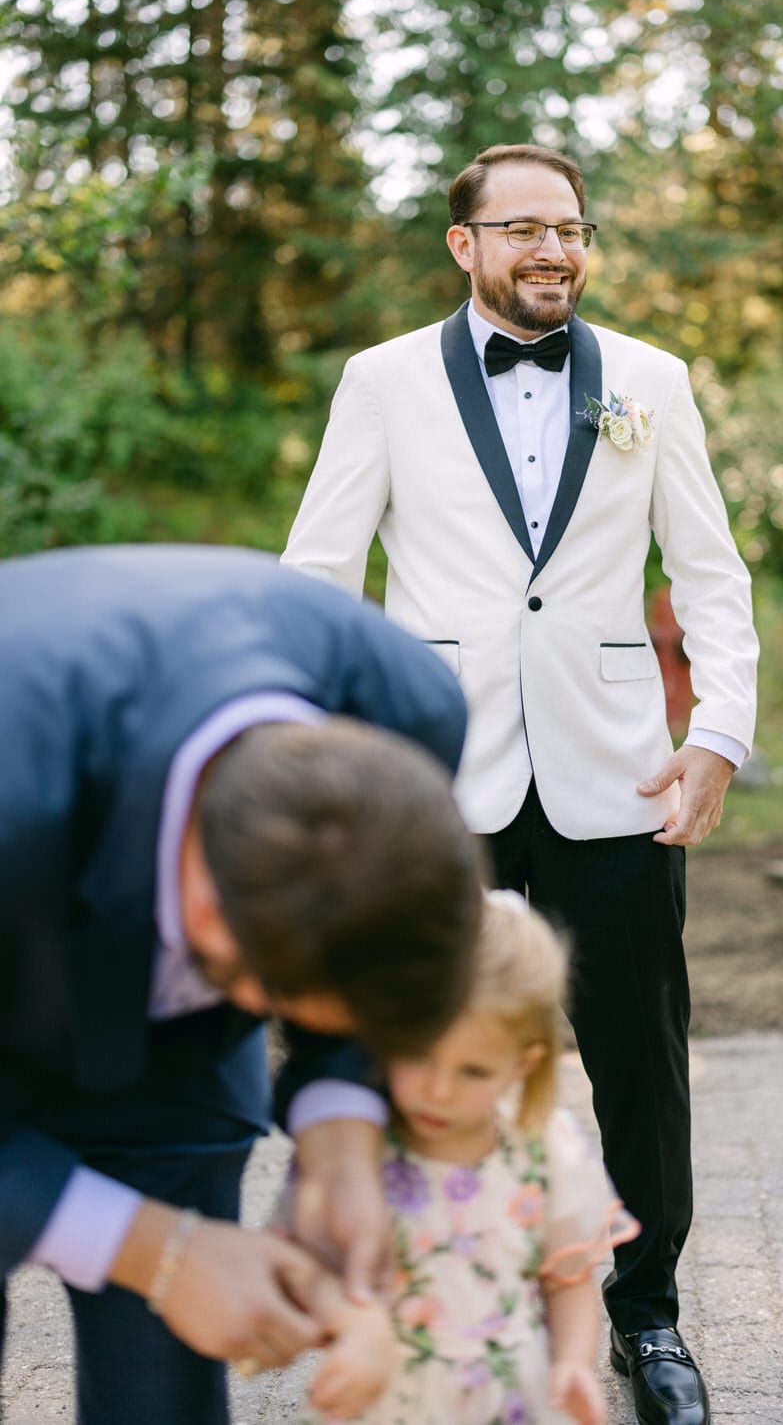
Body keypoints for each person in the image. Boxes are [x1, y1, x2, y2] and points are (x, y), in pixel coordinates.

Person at [283, 143, 758, 1425]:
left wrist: (717, 735)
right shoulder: (380, 382)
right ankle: (440, 1310)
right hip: (434, 785)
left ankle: (646, 1317)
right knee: (428, 1052)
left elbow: (708, 572)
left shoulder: (650, 380)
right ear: (464, 245)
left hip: (618, 776)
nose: (554, 251)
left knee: (640, 1060)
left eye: (572, 229)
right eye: (525, 230)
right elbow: (320, 577)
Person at [0, 543, 483, 1425]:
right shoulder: (15, 784)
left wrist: (340, 1134)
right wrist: (163, 1255)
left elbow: (372, 944)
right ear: (212, 920)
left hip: (177, 1078)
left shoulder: (406, 711)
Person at [287, 891, 638, 1425]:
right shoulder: (359, 1148)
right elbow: (305, 1266)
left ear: (524, 1064)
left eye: (473, 1071)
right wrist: (347, 1324)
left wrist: (571, 1365)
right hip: (384, 1396)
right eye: (418, 1056)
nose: (439, 1090)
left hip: (509, 1398)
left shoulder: (542, 1146)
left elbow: (566, 1281)